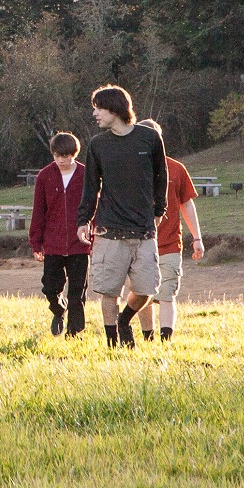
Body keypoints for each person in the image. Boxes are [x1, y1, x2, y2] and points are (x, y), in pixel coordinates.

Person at [76, 84, 168, 348]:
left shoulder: (149, 138)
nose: (95, 114)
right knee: (108, 291)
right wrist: (84, 220)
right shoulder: (98, 144)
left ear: (115, 109)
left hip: (143, 230)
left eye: (99, 108)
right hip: (109, 231)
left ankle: (125, 320)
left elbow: (161, 177)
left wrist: (159, 210)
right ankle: (112, 344)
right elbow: (91, 186)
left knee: (146, 289)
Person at [132, 119, 205, 341]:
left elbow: (187, 204)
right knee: (143, 292)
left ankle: (166, 338)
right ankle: (148, 335)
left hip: (170, 243)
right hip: (138, 242)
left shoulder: (176, 168)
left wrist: (197, 238)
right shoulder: (130, 168)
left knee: (166, 293)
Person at [29, 131, 91, 336]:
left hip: (80, 244)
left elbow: (95, 206)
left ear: (74, 153)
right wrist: (36, 243)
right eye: (57, 156)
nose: (62, 160)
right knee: (50, 288)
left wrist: (95, 234)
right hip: (53, 243)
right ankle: (58, 310)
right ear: (53, 154)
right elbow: (38, 210)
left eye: (66, 156)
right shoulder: (45, 176)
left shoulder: (85, 174)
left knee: (77, 292)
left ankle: (75, 333)